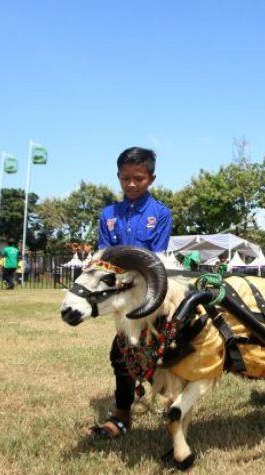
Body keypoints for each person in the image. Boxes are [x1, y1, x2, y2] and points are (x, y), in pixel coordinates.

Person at [88, 146, 172, 439]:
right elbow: (104, 257)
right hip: (121, 296)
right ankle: (122, 415)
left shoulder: (160, 213)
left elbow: (156, 258)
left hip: (149, 293)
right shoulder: (108, 214)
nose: (132, 184)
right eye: (126, 178)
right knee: (121, 353)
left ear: (151, 178)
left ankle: (171, 400)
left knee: (164, 349)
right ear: (118, 177)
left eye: (138, 178)